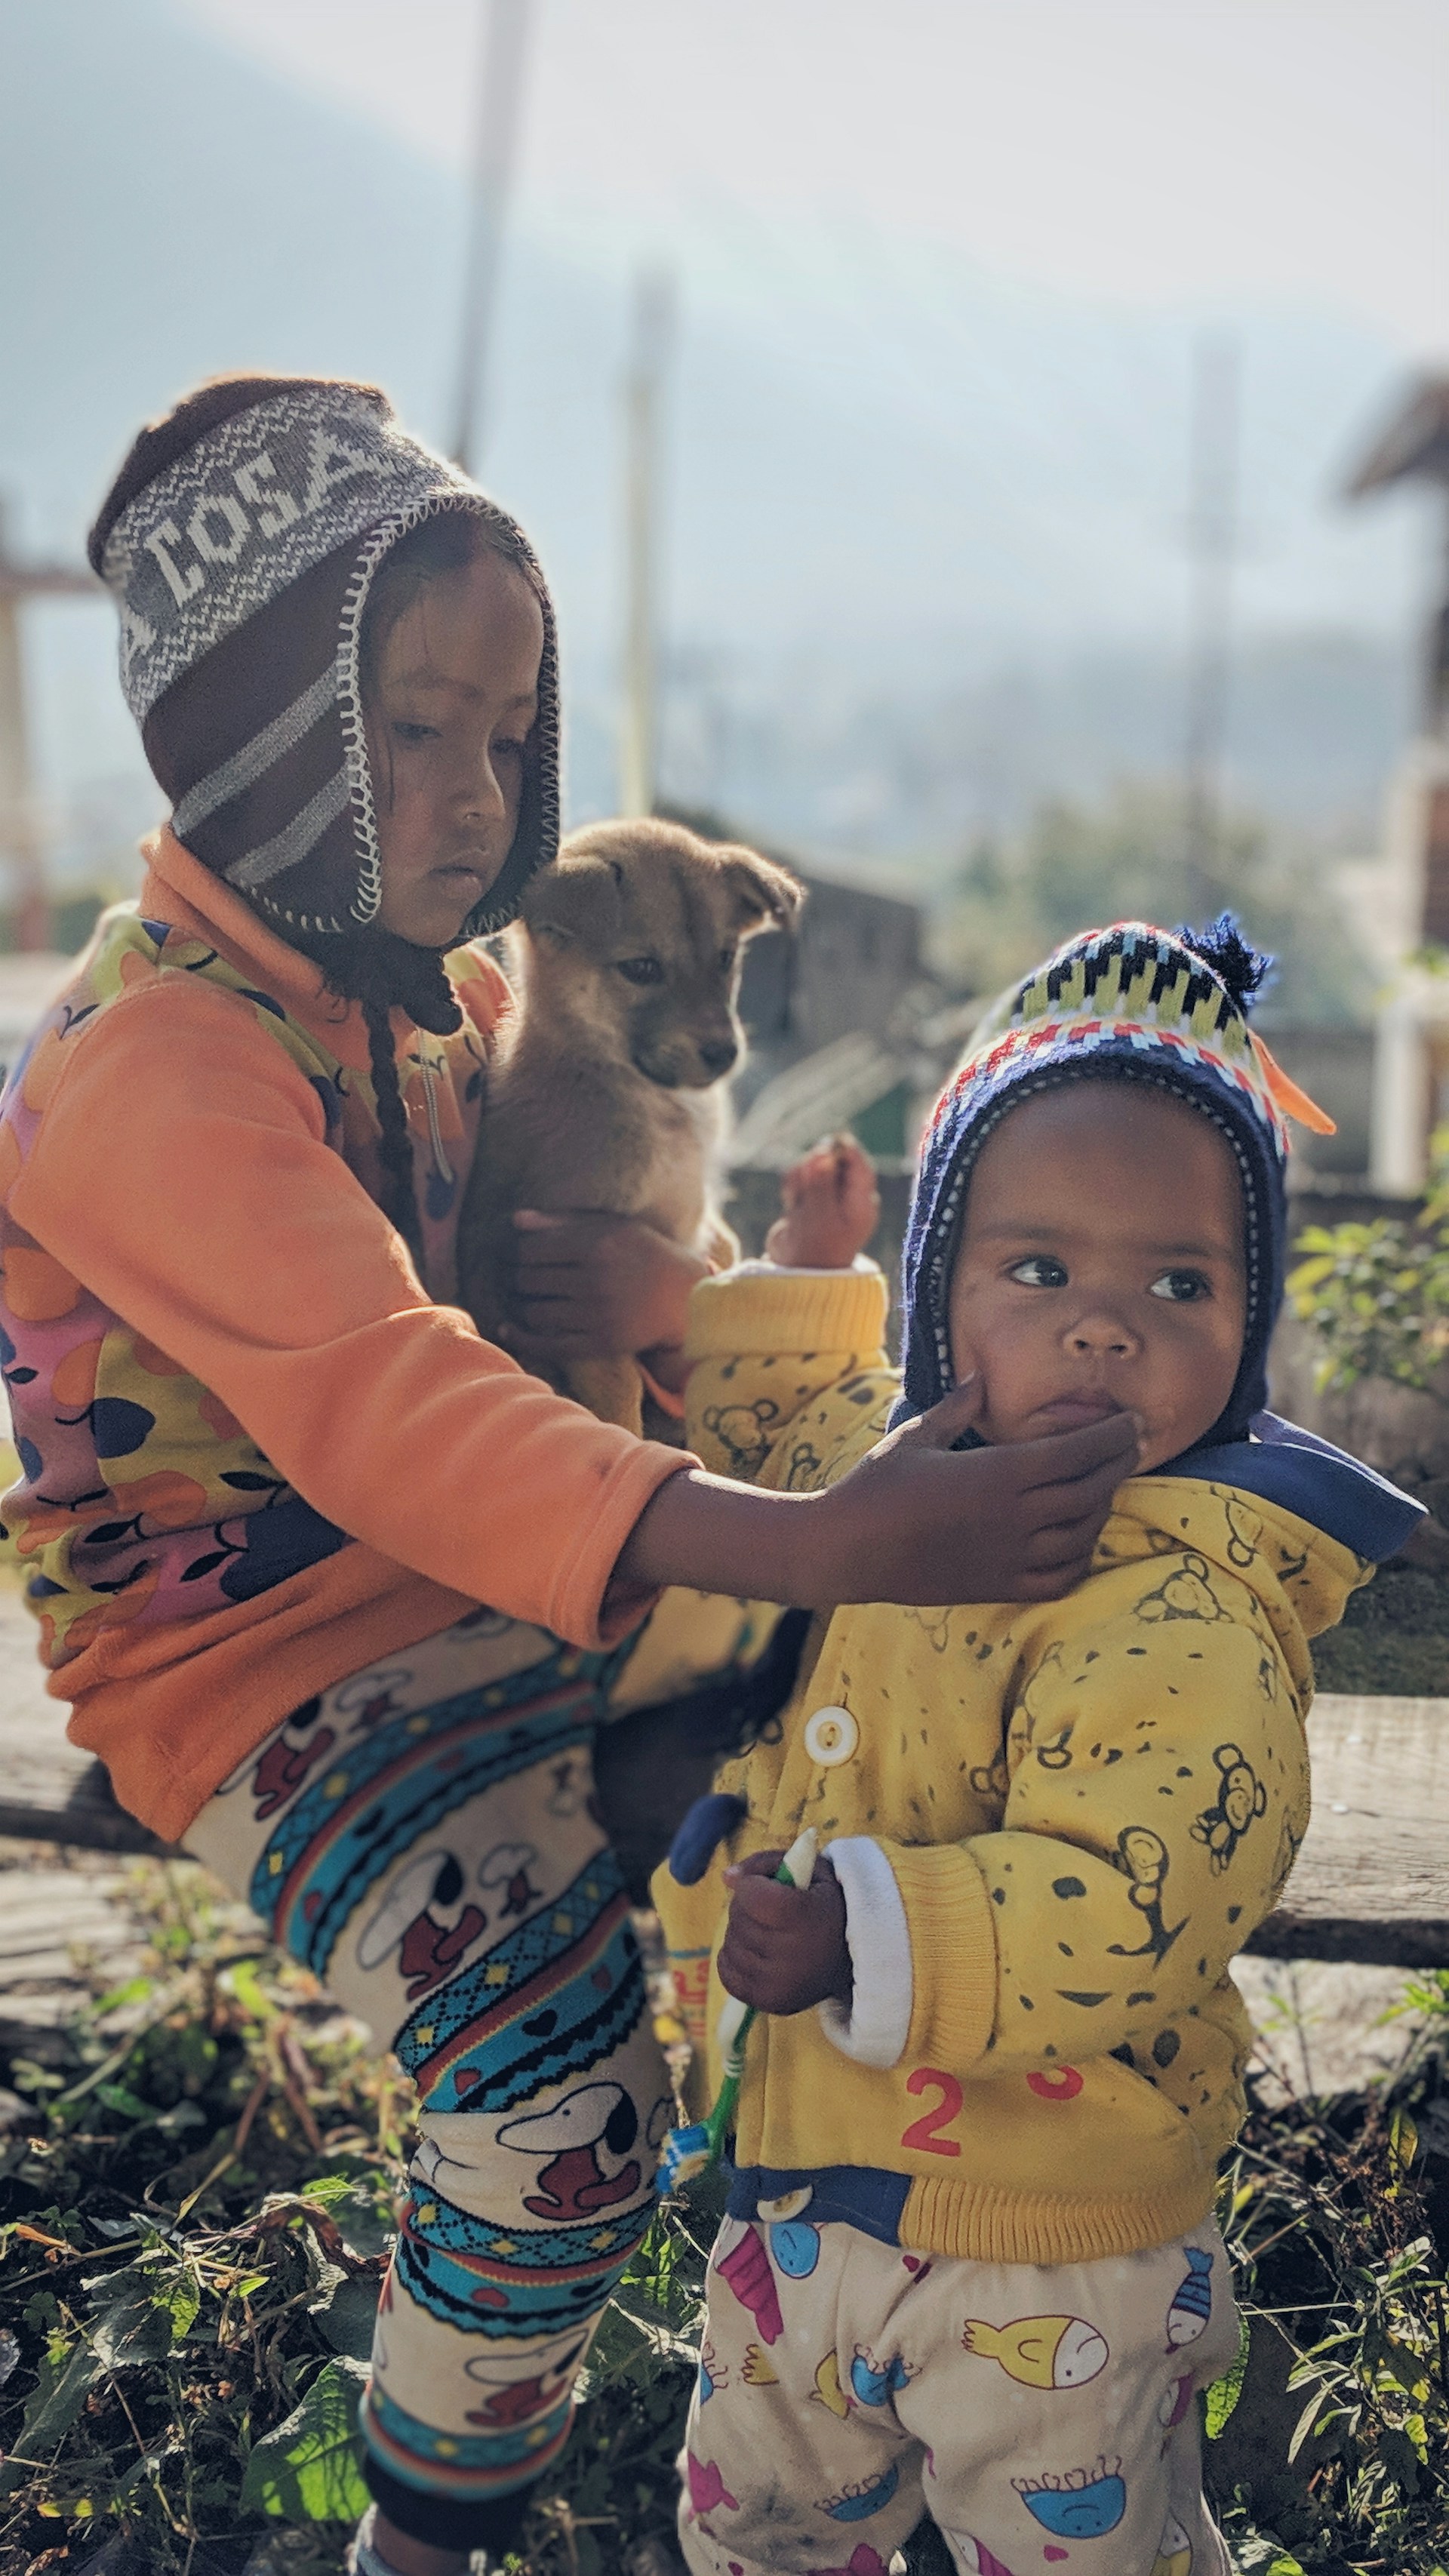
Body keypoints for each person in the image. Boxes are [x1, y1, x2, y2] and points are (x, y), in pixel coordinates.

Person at [0, 375, 1139, 2576]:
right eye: (412, 727)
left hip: (494, 1591)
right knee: (555, 2106)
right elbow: (395, 1394)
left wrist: (717, 1300)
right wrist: (821, 1534)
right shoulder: (150, 1055)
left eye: (510, 734)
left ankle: (913, 2375)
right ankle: (421, 2545)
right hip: (249, 1656)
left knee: (884, 1799)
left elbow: (563, 1317)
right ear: (249, 725)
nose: (475, 789)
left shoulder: (414, 1005)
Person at [654, 919, 1423, 2576]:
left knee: (1075, 2548)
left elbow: (1137, 1898)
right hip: (800, 2196)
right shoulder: (889, 1451)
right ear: (939, 1293)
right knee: (765, 2532)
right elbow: (776, 1454)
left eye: (1179, 1284)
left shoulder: (1195, 1597)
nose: (1103, 1328)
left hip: (1060, 2249)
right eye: (1037, 1269)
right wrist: (801, 1288)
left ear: (1251, 1318)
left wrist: (865, 1931)